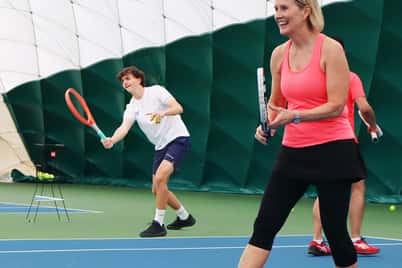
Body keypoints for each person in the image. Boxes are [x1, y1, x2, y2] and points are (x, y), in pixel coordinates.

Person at [238, 0, 366, 267]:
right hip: (292, 153)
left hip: (334, 151)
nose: (278, 15)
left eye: (284, 8)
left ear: (306, 10)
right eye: (275, 9)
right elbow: (276, 103)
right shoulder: (278, 54)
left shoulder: (330, 49)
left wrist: (295, 116)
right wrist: (267, 125)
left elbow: (336, 106)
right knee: (265, 224)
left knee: (335, 232)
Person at [101, 66, 196, 237]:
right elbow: (124, 128)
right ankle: (184, 216)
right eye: (123, 81)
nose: (125, 83)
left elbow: (178, 108)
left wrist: (163, 113)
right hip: (160, 146)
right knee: (157, 189)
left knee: (160, 179)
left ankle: (158, 224)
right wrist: (112, 140)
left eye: (128, 78)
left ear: (138, 79)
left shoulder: (157, 91)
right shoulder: (132, 107)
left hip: (177, 139)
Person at [308, 38, 381, 256]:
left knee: (325, 189)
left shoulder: (313, 78)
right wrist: (373, 126)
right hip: (342, 141)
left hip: (314, 141)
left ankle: (317, 240)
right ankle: (356, 238)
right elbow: (365, 108)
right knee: (357, 187)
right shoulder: (349, 77)